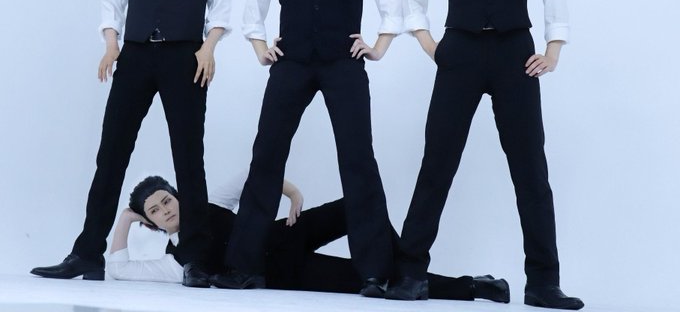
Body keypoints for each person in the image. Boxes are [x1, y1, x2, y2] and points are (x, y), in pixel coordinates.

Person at [385, 0, 583, 310]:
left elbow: (555, 0)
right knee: (437, 162)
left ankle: (543, 283)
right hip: (460, 52)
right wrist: (431, 46)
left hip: (516, 55)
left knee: (530, 168)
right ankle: (410, 272)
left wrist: (552, 51)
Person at [30, 0, 231, 288]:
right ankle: (87, 253)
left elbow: (221, 10)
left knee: (189, 158)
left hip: (186, 58)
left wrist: (208, 48)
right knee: (111, 155)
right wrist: (111, 45)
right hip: (136, 55)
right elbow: (112, 2)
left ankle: (195, 259)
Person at [216, 0, 401, 296]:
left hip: (342, 64)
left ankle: (375, 272)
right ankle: (244, 267)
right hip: (292, 63)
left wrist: (378, 46)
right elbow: (253, 10)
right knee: (266, 157)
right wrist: (261, 48)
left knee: (358, 160)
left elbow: (393, 4)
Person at [109, 173, 510, 303]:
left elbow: (256, 173)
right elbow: (118, 268)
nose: (165, 211)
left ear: (177, 195)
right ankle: (476, 286)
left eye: (166, 200)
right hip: (289, 272)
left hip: (286, 232)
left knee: (359, 203)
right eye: (154, 212)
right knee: (373, 278)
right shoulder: (174, 263)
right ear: (151, 223)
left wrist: (293, 193)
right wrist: (126, 218)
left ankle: (405, 269)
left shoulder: (209, 200)